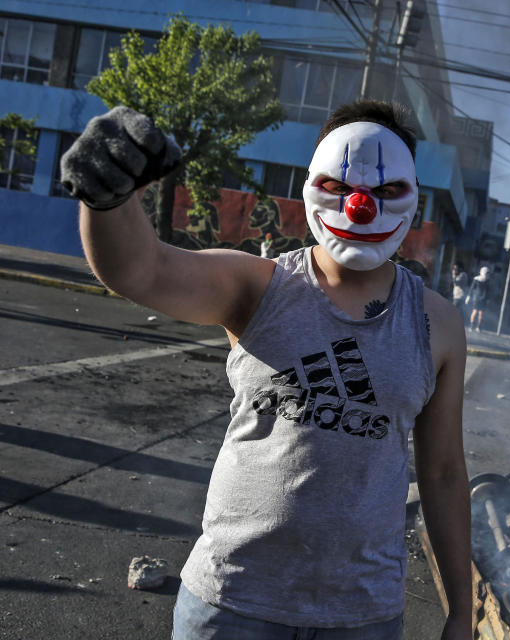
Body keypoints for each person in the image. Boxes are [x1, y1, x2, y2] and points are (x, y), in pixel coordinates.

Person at [60, 101, 471, 639]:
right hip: (232, 603)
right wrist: (107, 198)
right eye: (339, 185)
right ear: (311, 184)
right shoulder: (258, 287)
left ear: (413, 196)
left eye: (387, 191)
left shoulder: (436, 323)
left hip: (362, 618)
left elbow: (442, 474)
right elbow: (142, 270)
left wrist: (462, 613)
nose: (360, 208)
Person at [466, 266, 491, 331]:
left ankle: (477, 326)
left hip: (481, 298)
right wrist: (468, 296)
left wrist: (488, 299)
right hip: (478, 298)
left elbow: (488, 291)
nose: (487, 274)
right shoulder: (477, 279)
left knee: (479, 313)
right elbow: (472, 288)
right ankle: (472, 326)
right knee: (476, 312)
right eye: (486, 272)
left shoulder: (486, 280)